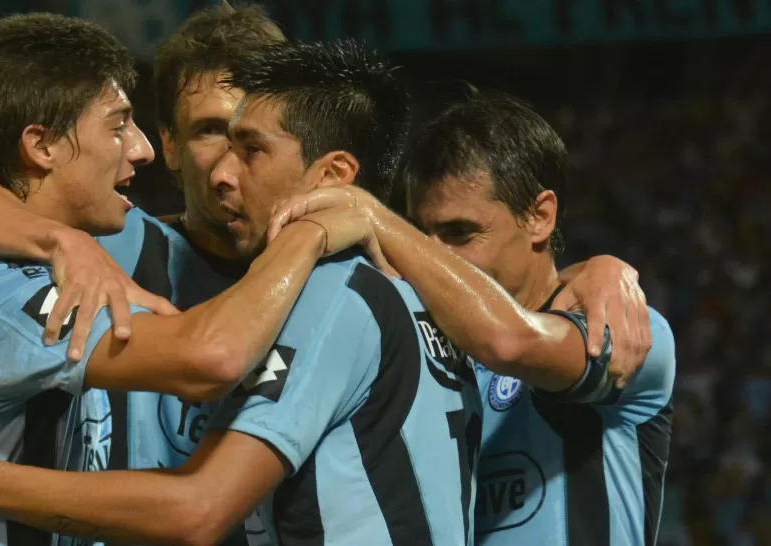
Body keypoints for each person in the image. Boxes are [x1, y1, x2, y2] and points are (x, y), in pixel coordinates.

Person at [0, 40, 647, 546]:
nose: (221, 172)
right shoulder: (407, 287)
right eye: (209, 139)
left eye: (249, 147)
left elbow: (202, 496)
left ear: (336, 177)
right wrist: (57, 239)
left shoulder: (333, 291)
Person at [0, 12, 343, 546]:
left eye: (255, 141)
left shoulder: (353, 284)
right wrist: (311, 232)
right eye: (213, 132)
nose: (140, 150)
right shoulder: (91, 256)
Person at [267, 89, 676, 545]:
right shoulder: (431, 350)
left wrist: (373, 216)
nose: (430, 257)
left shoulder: (627, 325)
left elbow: (510, 341)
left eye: (461, 232)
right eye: (422, 234)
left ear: (540, 217)